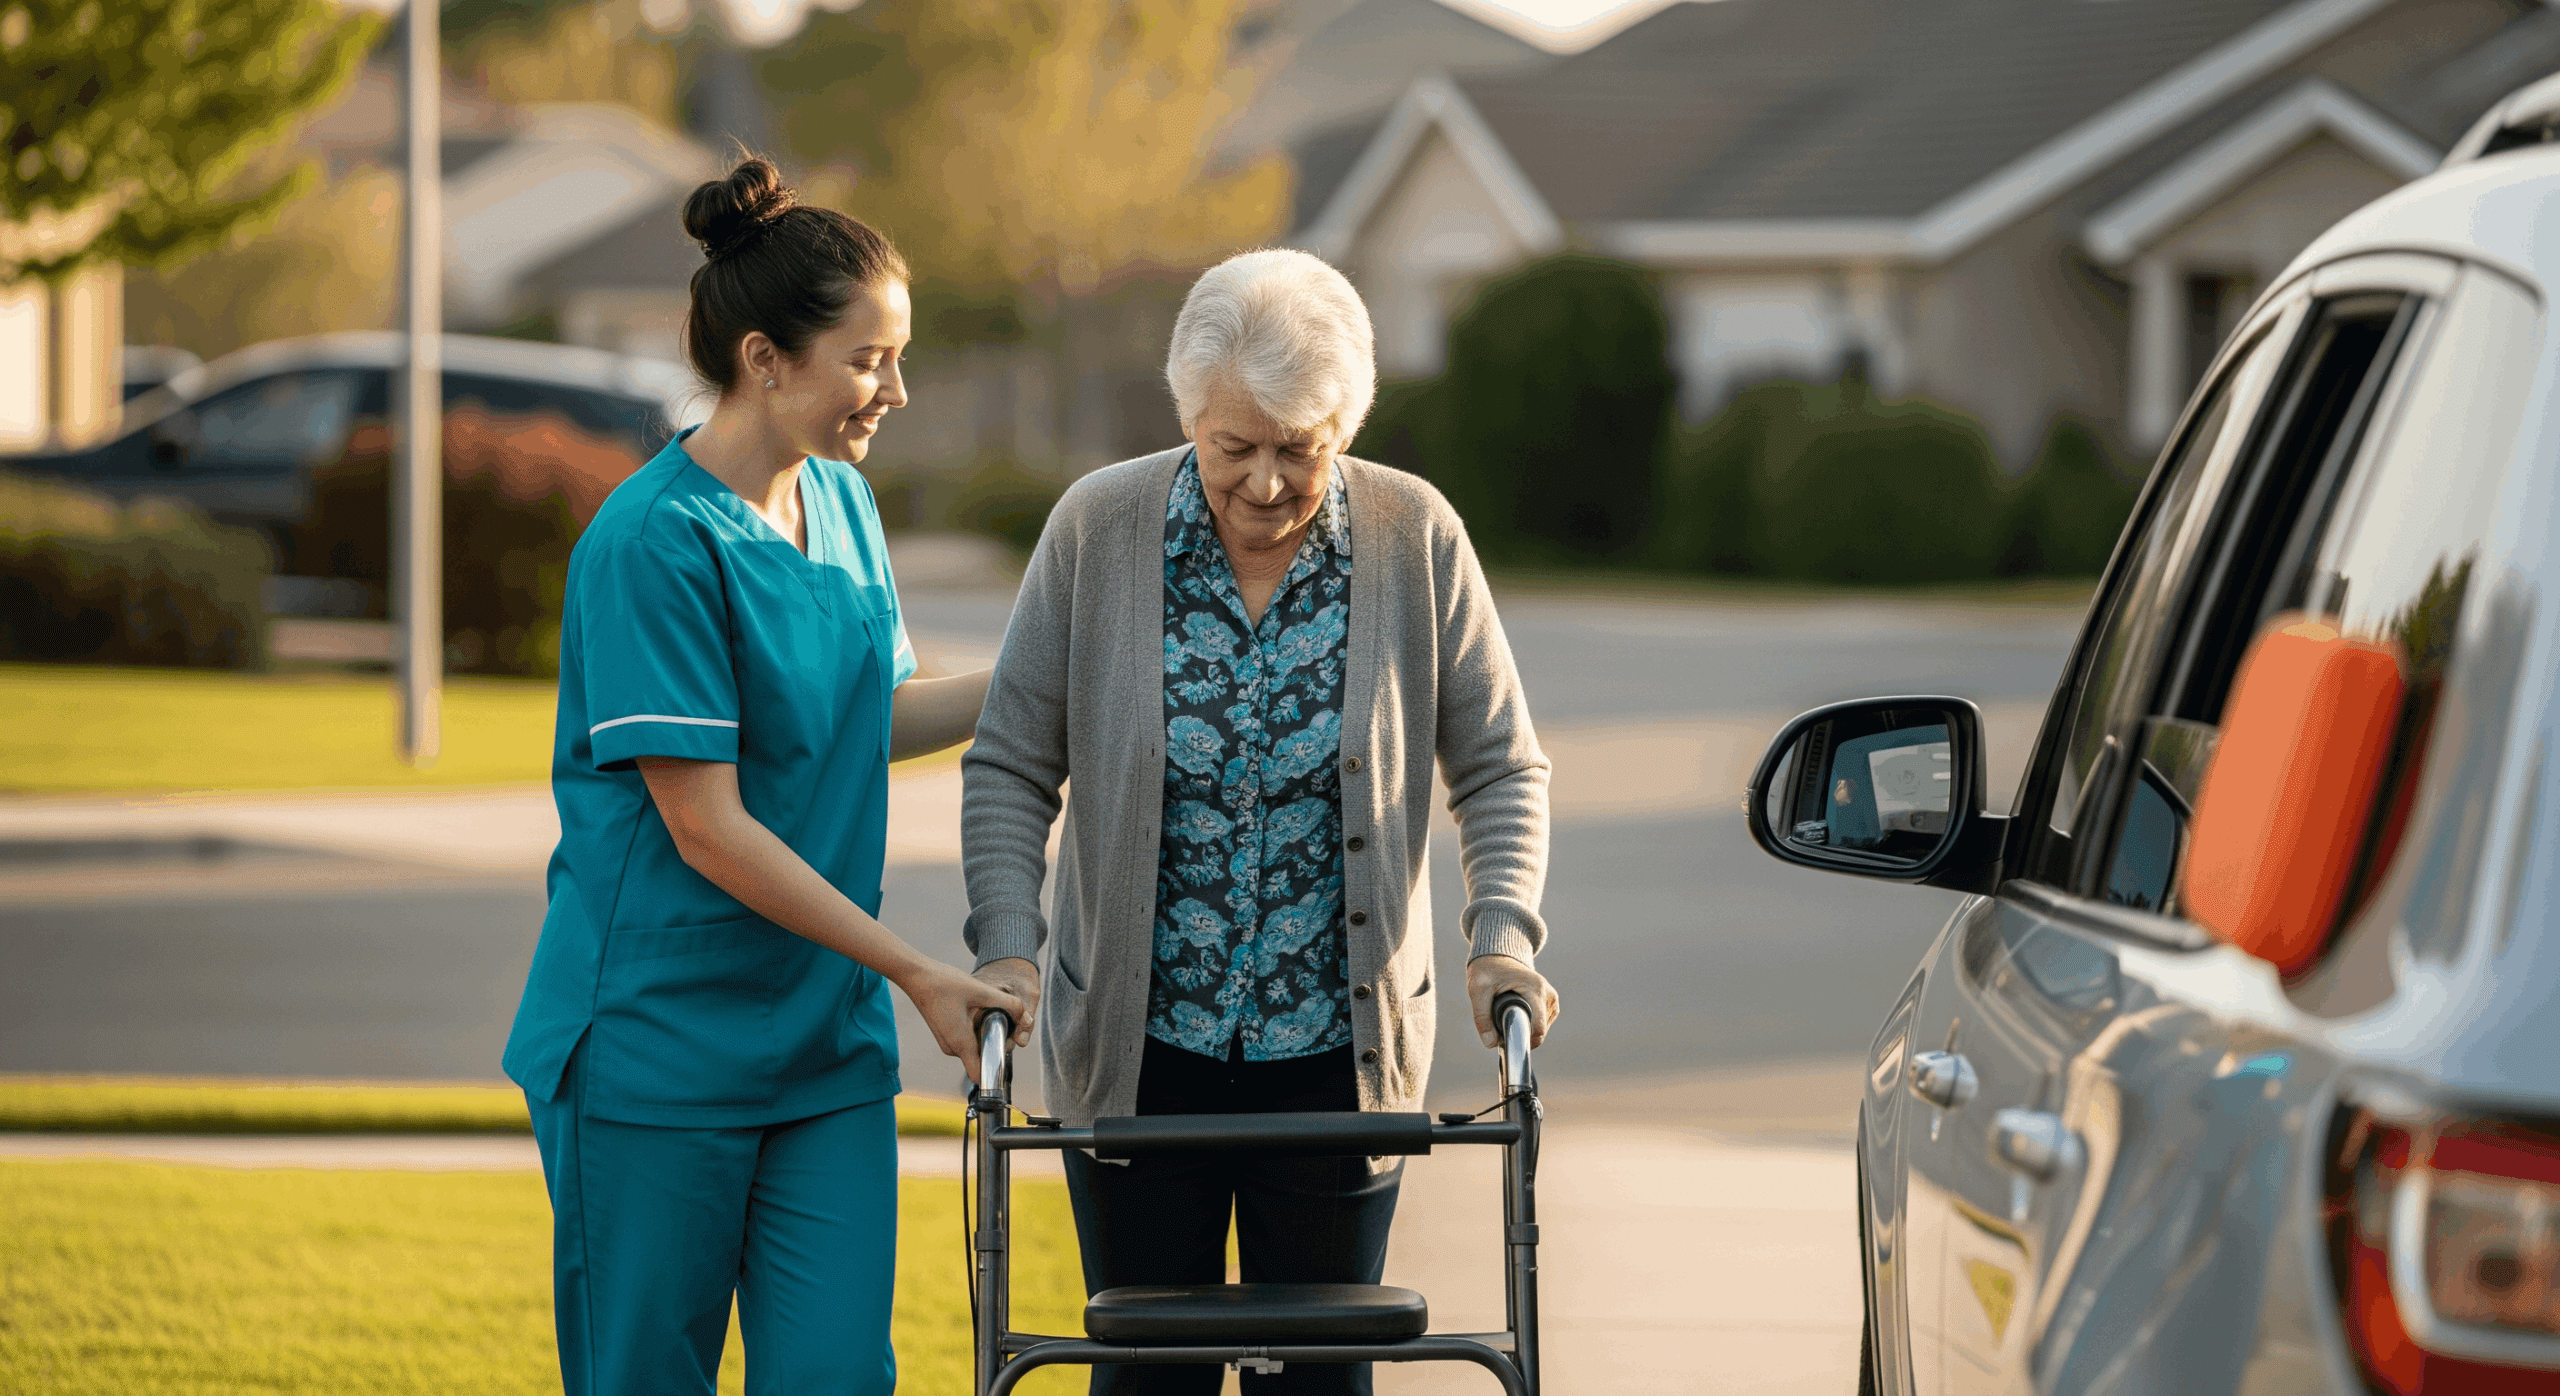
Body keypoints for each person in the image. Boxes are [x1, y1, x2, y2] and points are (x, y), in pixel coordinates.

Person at [960, 248, 1561, 1395]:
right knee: (1146, 1378)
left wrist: (1502, 936)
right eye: (1236, 445)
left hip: (1336, 1063)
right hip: (1139, 1059)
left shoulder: (1413, 536)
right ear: (1190, 415)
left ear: (1348, 420)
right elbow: (1008, 761)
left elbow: (1499, 764)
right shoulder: (1098, 528)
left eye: (1302, 446)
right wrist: (1006, 941)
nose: (1269, 482)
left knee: (1321, 1380)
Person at [500, 157, 1022, 1396]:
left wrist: (1046, 676)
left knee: (838, 1374)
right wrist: (913, 970)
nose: (894, 389)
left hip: (820, 1051)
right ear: (764, 357)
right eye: (868, 359)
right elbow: (709, 829)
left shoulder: (842, 505)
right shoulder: (650, 543)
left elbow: (872, 716)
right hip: (652, 1052)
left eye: (897, 358)